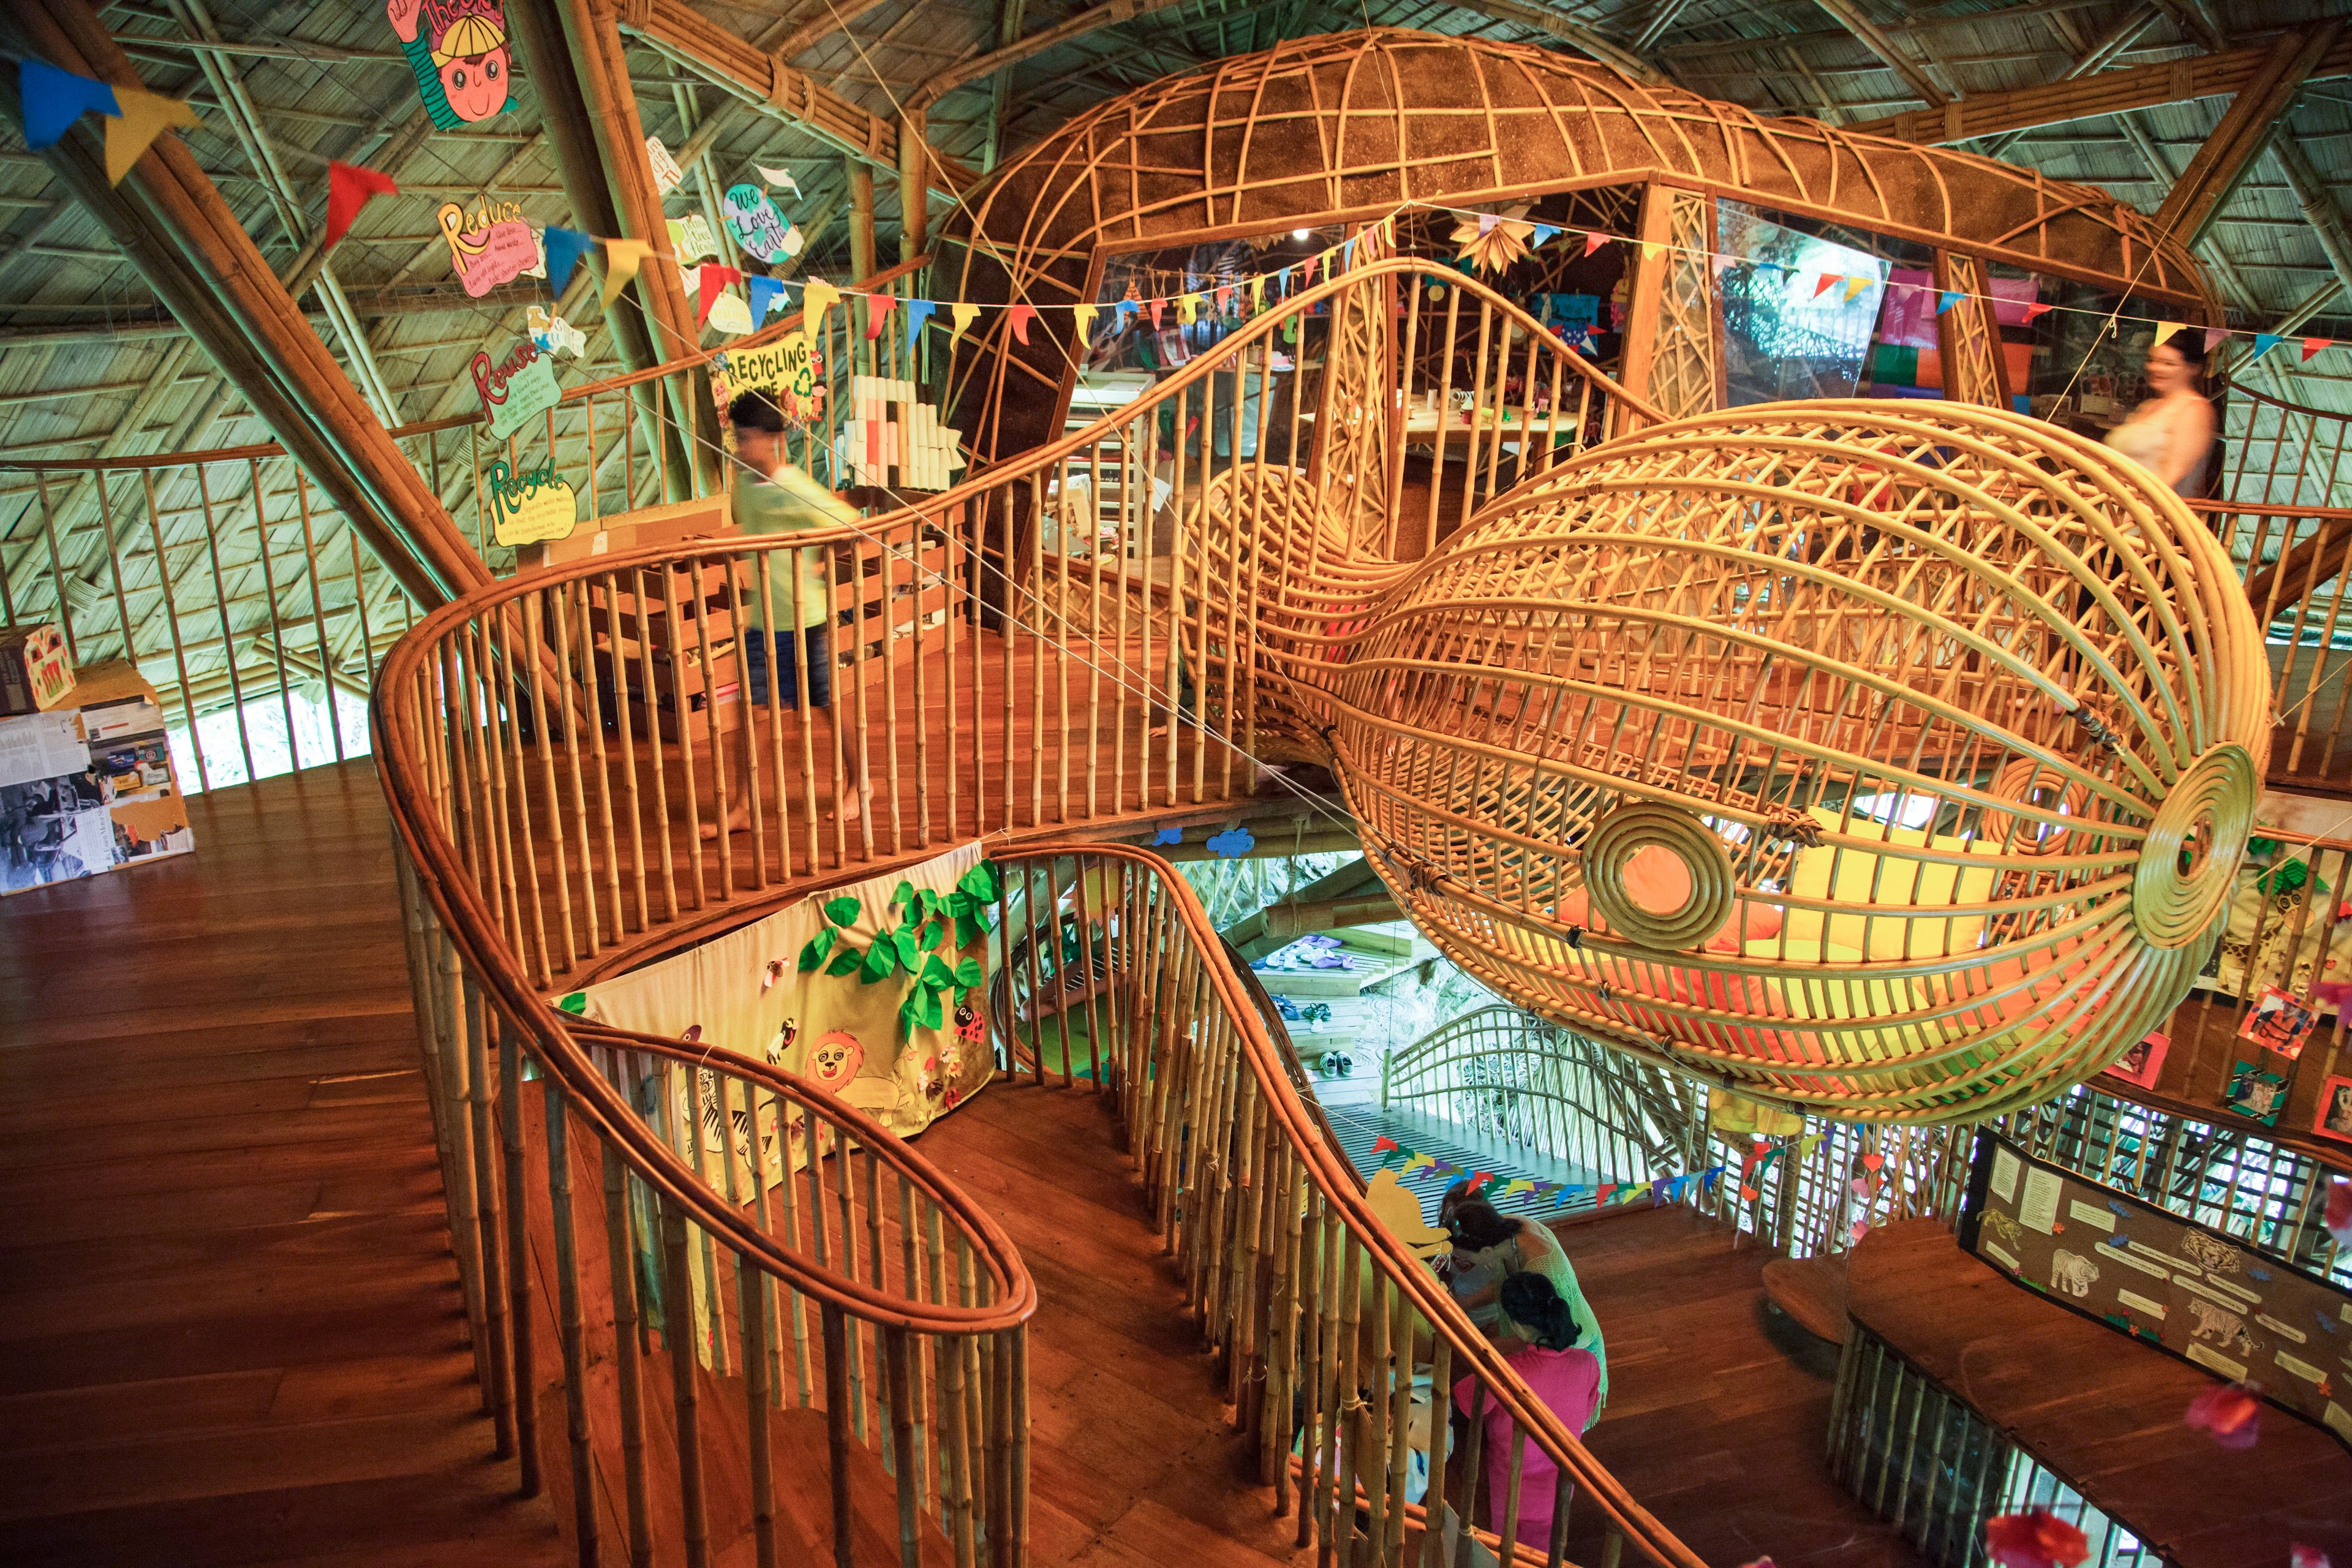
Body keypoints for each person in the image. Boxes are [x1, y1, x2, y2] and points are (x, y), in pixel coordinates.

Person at [715, 390, 863, 834]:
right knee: (752, 712)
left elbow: (849, 524)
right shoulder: (744, 483)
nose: (743, 447)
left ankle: (861, 784)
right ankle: (744, 805)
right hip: (763, 620)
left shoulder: (793, 484)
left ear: (773, 438)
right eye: (738, 438)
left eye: (750, 438)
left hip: (805, 620)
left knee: (828, 704)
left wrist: (819, 548)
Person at [1450, 1272, 1603, 1551]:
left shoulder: (1509, 1371)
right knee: (1544, 1552)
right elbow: (1586, 1410)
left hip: (1512, 1489)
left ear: (1518, 1327)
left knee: (1508, 1550)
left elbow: (1464, 1399)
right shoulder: (1588, 1363)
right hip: (1560, 1485)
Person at [1440, 1186, 1607, 1403]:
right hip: (1541, 1339)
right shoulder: (1504, 1230)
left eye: (1468, 1259)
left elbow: (1540, 1341)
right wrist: (1460, 1304)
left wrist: (1473, 1346)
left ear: (1487, 1252)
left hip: (1570, 1345)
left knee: (1556, 1413)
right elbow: (1503, 1286)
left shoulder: (1544, 1271)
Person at [2103, 333, 2215, 496]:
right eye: (2152, 361)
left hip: (2150, 514)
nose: (2155, 368)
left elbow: (2170, 477)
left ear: (2193, 368)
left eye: (2168, 364)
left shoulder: (2194, 410)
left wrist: (2131, 512)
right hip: (2118, 507)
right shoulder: (2147, 407)